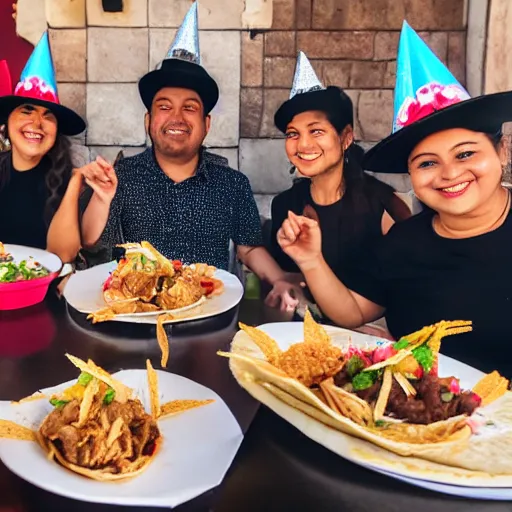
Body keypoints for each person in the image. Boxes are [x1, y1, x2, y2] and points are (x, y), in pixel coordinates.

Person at [276, 21, 512, 376]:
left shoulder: (383, 206)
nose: (448, 173)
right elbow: (353, 311)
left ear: (502, 152)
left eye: (465, 154)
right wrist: (310, 260)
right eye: (427, 162)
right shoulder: (403, 242)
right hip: (413, 423)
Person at [80, 2, 302, 311]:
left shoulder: (232, 183)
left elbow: (249, 247)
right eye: (164, 106)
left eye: (190, 107)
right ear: (148, 121)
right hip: (136, 312)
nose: (177, 117)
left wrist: (278, 278)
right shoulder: (123, 176)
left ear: (206, 125)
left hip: (208, 310)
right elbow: (91, 242)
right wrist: (101, 198)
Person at [269, 51, 411, 323]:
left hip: (369, 342)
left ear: (345, 138)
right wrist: (286, 287)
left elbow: (399, 290)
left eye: (316, 131)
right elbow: (288, 280)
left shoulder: (383, 205)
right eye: (292, 134)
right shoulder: (285, 205)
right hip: (303, 335)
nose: (303, 145)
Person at [0, 34, 91, 263]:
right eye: (27, 111)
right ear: (6, 123)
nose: (37, 124)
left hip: (41, 294)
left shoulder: (68, 178)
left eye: (47, 115)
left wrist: (74, 184)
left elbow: (61, 256)